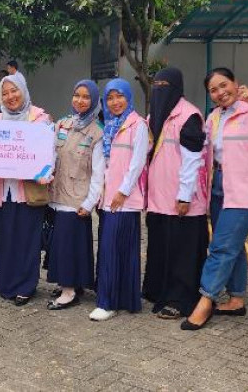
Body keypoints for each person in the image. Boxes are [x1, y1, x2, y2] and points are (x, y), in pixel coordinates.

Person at [182, 68, 248, 330]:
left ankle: (206, 300)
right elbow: (204, 148)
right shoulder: (214, 117)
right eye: (214, 90)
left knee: (221, 247)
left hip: (246, 191)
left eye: (224, 85)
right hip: (220, 187)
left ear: (236, 83)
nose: (221, 93)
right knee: (234, 245)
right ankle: (236, 299)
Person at [142, 68, 208, 320]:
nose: (160, 88)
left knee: (182, 252)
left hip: (182, 201)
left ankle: (180, 299)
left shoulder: (189, 115)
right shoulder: (154, 116)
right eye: (156, 83)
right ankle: (157, 289)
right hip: (158, 197)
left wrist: (184, 196)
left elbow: (192, 160)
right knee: (160, 246)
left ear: (177, 88)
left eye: (165, 84)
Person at [0, 74, 52, 306]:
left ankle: (26, 286)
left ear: (24, 91)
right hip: (3, 191)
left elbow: (49, 155)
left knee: (27, 240)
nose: (10, 97)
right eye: (4, 93)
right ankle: (5, 283)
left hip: (28, 192)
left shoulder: (39, 119)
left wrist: (43, 172)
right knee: (5, 238)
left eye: (14, 91)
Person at [90, 78, 147, 322]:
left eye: (119, 96)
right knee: (119, 249)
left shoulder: (138, 125)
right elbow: (106, 166)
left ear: (129, 97)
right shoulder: (110, 125)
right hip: (110, 199)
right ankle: (125, 298)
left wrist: (122, 191)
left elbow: (137, 163)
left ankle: (108, 302)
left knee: (111, 249)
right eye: (110, 98)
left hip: (124, 199)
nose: (115, 102)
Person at [46, 80, 104, 310]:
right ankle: (71, 284)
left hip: (77, 199)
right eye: (76, 95)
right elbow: (49, 155)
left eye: (86, 97)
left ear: (94, 101)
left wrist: (90, 202)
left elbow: (99, 173)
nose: (80, 101)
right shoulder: (62, 124)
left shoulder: (97, 132)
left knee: (70, 245)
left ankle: (69, 292)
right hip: (57, 195)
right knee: (60, 245)